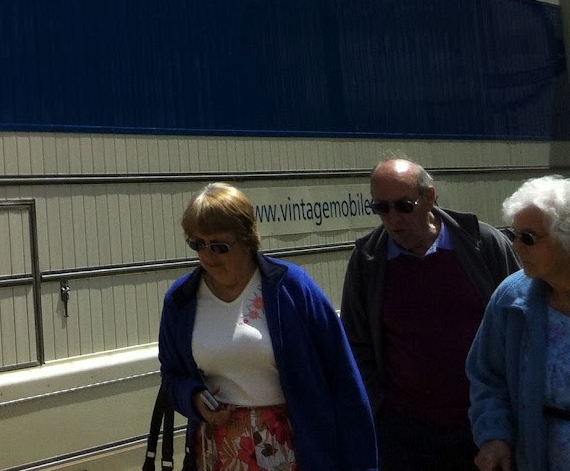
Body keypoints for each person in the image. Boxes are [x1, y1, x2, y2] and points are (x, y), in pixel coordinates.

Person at [158, 182, 376, 470]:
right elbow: (171, 375)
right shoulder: (181, 299)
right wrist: (194, 398)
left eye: (220, 246)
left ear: (247, 238)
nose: (207, 256)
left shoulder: (292, 287)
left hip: (294, 448)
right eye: (197, 244)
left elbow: (343, 377)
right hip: (217, 452)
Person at [340, 158, 518, 470]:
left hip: (483, 425)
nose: (393, 218)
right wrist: (379, 409)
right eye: (381, 208)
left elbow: (520, 321)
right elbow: (356, 342)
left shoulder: (482, 244)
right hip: (406, 431)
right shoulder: (368, 261)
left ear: (430, 197)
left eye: (404, 206)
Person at [468, 175, 570, 471]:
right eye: (512, 234)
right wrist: (495, 435)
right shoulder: (510, 299)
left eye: (528, 238)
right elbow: (487, 377)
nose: (515, 246)